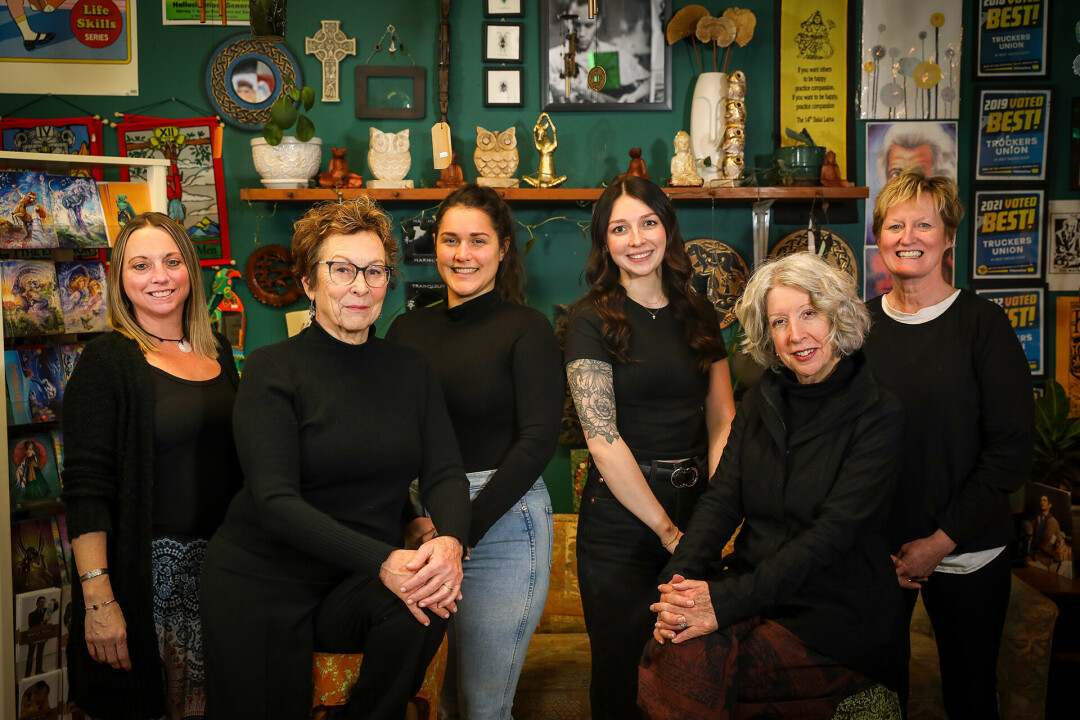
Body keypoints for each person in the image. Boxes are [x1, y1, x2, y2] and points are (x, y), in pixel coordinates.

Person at [199, 197, 470, 720]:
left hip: (353, 581)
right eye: (341, 270)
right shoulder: (271, 369)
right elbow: (275, 502)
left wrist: (451, 543)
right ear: (308, 282)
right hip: (263, 583)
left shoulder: (412, 370)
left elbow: (444, 471)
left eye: (373, 271)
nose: (360, 286)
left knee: (431, 598)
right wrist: (386, 561)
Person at [638, 253, 907, 718]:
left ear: (837, 316)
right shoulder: (762, 400)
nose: (795, 335)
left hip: (835, 612)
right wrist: (675, 588)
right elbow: (722, 501)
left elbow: (830, 537)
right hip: (756, 595)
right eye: (779, 321)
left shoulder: (880, 415)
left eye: (808, 314)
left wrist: (720, 603)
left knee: (691, 661)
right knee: (674, 642)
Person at [386, 184, 563, 720]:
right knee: (436, 699)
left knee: (483, 707)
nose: (463, 254)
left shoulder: (525, 329)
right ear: (433, 246)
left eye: (478, 241)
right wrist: (413, 521)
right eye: (450, 240)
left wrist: (460, 536)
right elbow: (389, 437)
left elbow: (537, 442)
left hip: (502, 520)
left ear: (504, 248)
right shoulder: (406, 328)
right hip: (420, 523)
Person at [564, 176, 736, 719]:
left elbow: (722, 417)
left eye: (648, 222)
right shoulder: (589, 320)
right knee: (621, 677)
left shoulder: (699, 310)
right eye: (619, 228)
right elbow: (602, 437)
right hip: (620, 522)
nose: (636, 239)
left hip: (696, 507)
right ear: (604, 242)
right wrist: (667, 531)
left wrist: (715, 513)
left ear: (667, 229)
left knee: (691, 673)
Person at [864, 170, 1034, 720]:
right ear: (879, 236)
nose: (908, 236)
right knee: (873, 701)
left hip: (968, 553)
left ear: (948, 236)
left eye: (924, 224)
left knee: (970, 697)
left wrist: (939, 542)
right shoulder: (858, 328)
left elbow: (1010, 450)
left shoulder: (983, 325)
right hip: (876, 559)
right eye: (895, 224)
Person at [62, 212, 242, 720]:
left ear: (191, 269)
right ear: (120, 278)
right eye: (141, 265)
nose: (159, 277)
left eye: (172, 261)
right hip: (147, 586)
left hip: (221, 577)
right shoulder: (107, 361)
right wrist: (98, 600)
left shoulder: (219, 352)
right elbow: (85, 489)